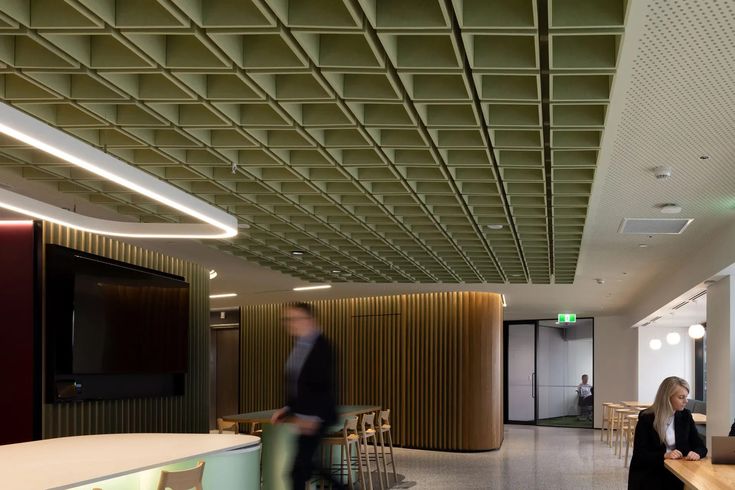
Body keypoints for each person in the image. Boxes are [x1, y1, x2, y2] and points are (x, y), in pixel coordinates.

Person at [270, 303, 344, 490]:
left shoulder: (321, 346)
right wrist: (287, 409)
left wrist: (312, 417)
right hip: (304, 416)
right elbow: (297, 384)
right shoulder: (301, 346)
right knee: (304, 468)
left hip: (314, 417)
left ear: (310, 320)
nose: (290, 323)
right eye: (287, 320)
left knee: (298, 471)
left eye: (295, 319)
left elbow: (322, 384)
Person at [628, 376, 707, 490]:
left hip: (677, 471)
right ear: (667, 398)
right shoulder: (647, 418)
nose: (686, 401)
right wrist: (664, 455)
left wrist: (697, 453)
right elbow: (640, 454)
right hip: (651, 471)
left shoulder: (685, 415)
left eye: (686, 397)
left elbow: (700, 446)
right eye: (681, 397)